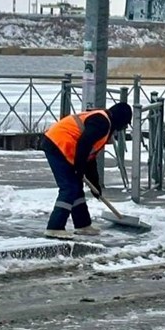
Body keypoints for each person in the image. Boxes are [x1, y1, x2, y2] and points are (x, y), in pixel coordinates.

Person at [42, 102, 132, 239]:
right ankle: (55, 227)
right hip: (57, 144)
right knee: (69, 187)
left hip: (63, 145)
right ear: (120, 119)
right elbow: (84, 144)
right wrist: (79, 168)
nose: (124, 128)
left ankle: (82, 225)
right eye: (125, 124)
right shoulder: (102, 123)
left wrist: (95, 184)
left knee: (76, 186)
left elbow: (90, 158)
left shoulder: (104, 123)